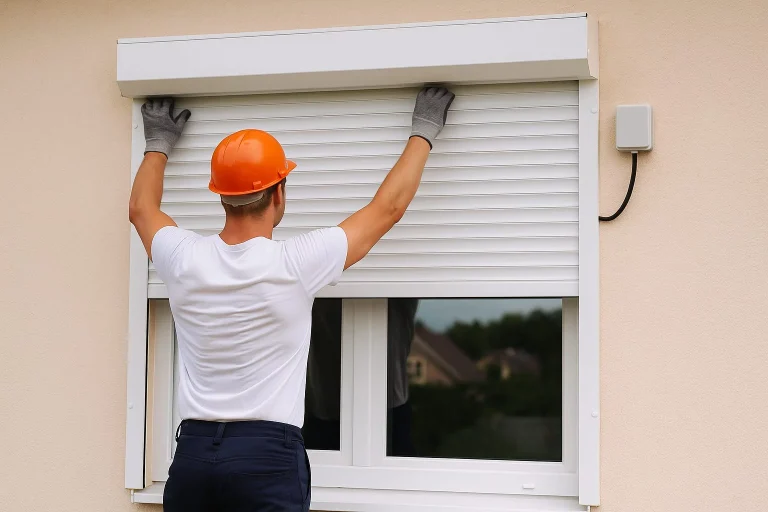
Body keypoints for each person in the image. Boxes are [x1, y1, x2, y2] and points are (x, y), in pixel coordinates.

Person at [128, 87, 455, 512]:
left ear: (221, 196)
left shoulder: (182, 257)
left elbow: (141, 209)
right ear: (278, 194)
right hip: (265, 457)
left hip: (193, 454)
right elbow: (386, 209)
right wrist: (423, 130)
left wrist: (157, 144)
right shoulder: (294, 263)